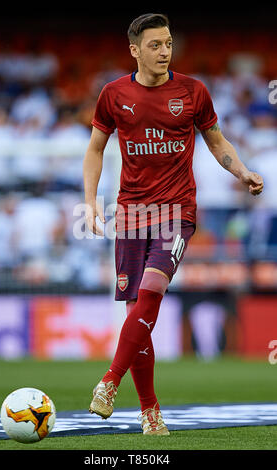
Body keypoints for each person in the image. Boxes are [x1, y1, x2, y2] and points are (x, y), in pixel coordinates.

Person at [83, 13, 263, 436]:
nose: (164, 52)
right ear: (134, 50)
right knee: (136, 313)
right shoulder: (113, 95)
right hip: (130, 213)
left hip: (176, 211)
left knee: (150, 294)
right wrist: (90, 203)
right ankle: (150, 411)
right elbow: (94, 150)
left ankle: (109, 382)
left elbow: (217, 141)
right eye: (155, 45)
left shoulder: (193, 91)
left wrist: (242, 172)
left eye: (168, 44)